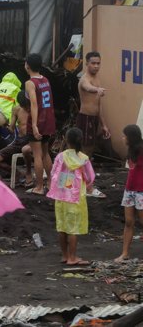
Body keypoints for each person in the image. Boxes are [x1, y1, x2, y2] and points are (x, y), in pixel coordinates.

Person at [47, 127, 96, 266]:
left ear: (66, 140)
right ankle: (73, 258)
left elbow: (53, 173)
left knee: (62, 227)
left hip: (61, 195)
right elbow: (89, 178)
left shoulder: (60, 156)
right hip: (75, 197)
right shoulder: (83, 159)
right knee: (73, 229)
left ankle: (65, 255)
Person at [24, 54, 55, 195]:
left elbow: (34, 104)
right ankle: (50, 182)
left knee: (37, 154)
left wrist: (34, 125)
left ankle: (39, 187)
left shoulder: (30, 83)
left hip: (38, 120)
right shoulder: (46, 80)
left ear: (27, 66)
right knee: (46, 152)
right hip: (48, 119)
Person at [0, 91, 33, 185]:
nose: (27, 108)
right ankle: (17, 173)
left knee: (25, 150)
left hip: (32, 140)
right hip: (18, 141)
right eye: (24, 106)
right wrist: (4, 123)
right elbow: (11, 129)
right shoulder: (16, 109)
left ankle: (28, 172)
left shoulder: (35, 109)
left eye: (28, 105)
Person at [115, 124, 143, 263]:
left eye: (124, 135)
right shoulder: (131, 151)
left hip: (141, 191)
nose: (122, 138)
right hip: (129, 190)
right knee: (129, 222)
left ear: (130, 137)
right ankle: (125, 253)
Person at [77, 52, 110, 157]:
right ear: (87, 64)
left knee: (91, 148)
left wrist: (104, 125)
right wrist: (97, 89)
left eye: (98, 63)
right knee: (85, 148)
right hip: (85, 118)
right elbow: (87, 87)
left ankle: (85, 171)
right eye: (93, 63)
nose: (96, 66)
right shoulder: (84, 79)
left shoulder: (97, 79)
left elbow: (99, 105)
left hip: (94, 119)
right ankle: (80, 172)